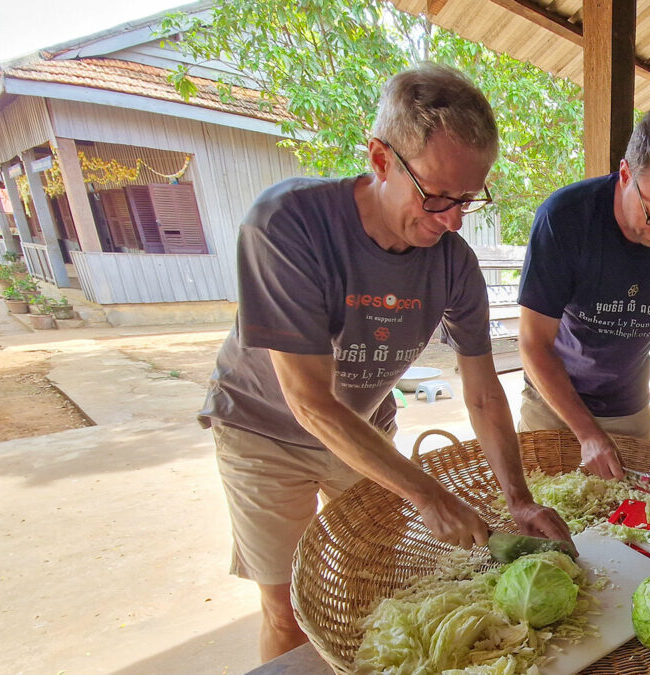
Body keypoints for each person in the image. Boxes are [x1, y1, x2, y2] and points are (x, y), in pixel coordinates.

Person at [198, 64, 571, 662]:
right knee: (290, 612)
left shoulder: (453, 263)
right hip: (265, 432)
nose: (452, 220)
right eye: (437, 196)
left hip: (367, 425)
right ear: (380, 158)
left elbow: (481, 394)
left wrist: (518, 499)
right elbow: (307, 401)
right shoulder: (288, 224)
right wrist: (428, 494)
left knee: (377, 592)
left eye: (468, 200)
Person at [516, 106, 650, 522]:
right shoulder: (565, 219)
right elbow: (533, 344)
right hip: (552, 406)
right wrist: (587, 433)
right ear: (626, 174)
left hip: (628, 407)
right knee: (542, 523)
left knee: (621, 531)